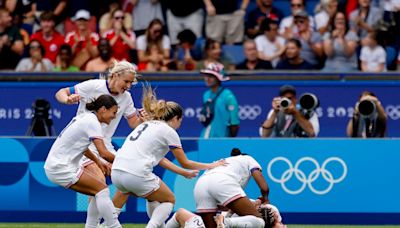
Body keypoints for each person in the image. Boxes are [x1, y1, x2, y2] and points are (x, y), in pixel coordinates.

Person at [111, 85, 226, 228]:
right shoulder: (169, 131)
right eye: (180, 120)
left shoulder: (145, 125)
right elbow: (185, 162)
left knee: (152, 198)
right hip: (136, 172)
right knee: (169, 199)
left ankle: (106, 225)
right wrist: (211, 165)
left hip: (116, 171)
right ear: (176, 118)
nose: (180, 124)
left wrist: (182, 173)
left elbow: (160, 159)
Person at [54, 60, 142, 227]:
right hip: (86, 145)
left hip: (105, 145)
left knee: (128, 180)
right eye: (127, 81)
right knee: (99, 183)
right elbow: (61, 92)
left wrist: (143, 120)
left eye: (131, 82)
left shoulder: (127, 97)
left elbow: (133, 123)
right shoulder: (93, 86)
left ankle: (103, 223)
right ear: (115, 75)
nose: (129, 86)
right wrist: (67, 99)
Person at [44, 94, 121, 228]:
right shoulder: (93, 123)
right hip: (60, 168)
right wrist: (126, 163)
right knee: (102, 190)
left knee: (98, 191)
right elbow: (104, 152)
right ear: (103, 109)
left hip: (57, 166)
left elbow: (83, 147)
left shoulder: (86, 118)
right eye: (113, 112)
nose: (114, 116)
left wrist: (98, 162)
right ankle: (114, 226)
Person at [194, 148, 270, 228]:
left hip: (200, 184)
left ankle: (224, 222)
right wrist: (265, 198)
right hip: (222, 180)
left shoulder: (224, 162)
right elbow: (264, 188)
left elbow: (224, 205)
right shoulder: (248, 158)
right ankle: (226, 222)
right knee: (259, 221)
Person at [200, 63, 240, 138]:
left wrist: (229, 140)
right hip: (205, 138)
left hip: (222, 139)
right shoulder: (206, 95)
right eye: (206, 76)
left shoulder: (228, 96)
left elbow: (234, 123)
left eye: (211, 76)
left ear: (219, 78)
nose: (207, 79)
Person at [214, 202, 287, 228]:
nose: (285, 226)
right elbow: (232, 206)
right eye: (282, 224)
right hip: (220, 218)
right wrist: (227, 215)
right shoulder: (273, 211)